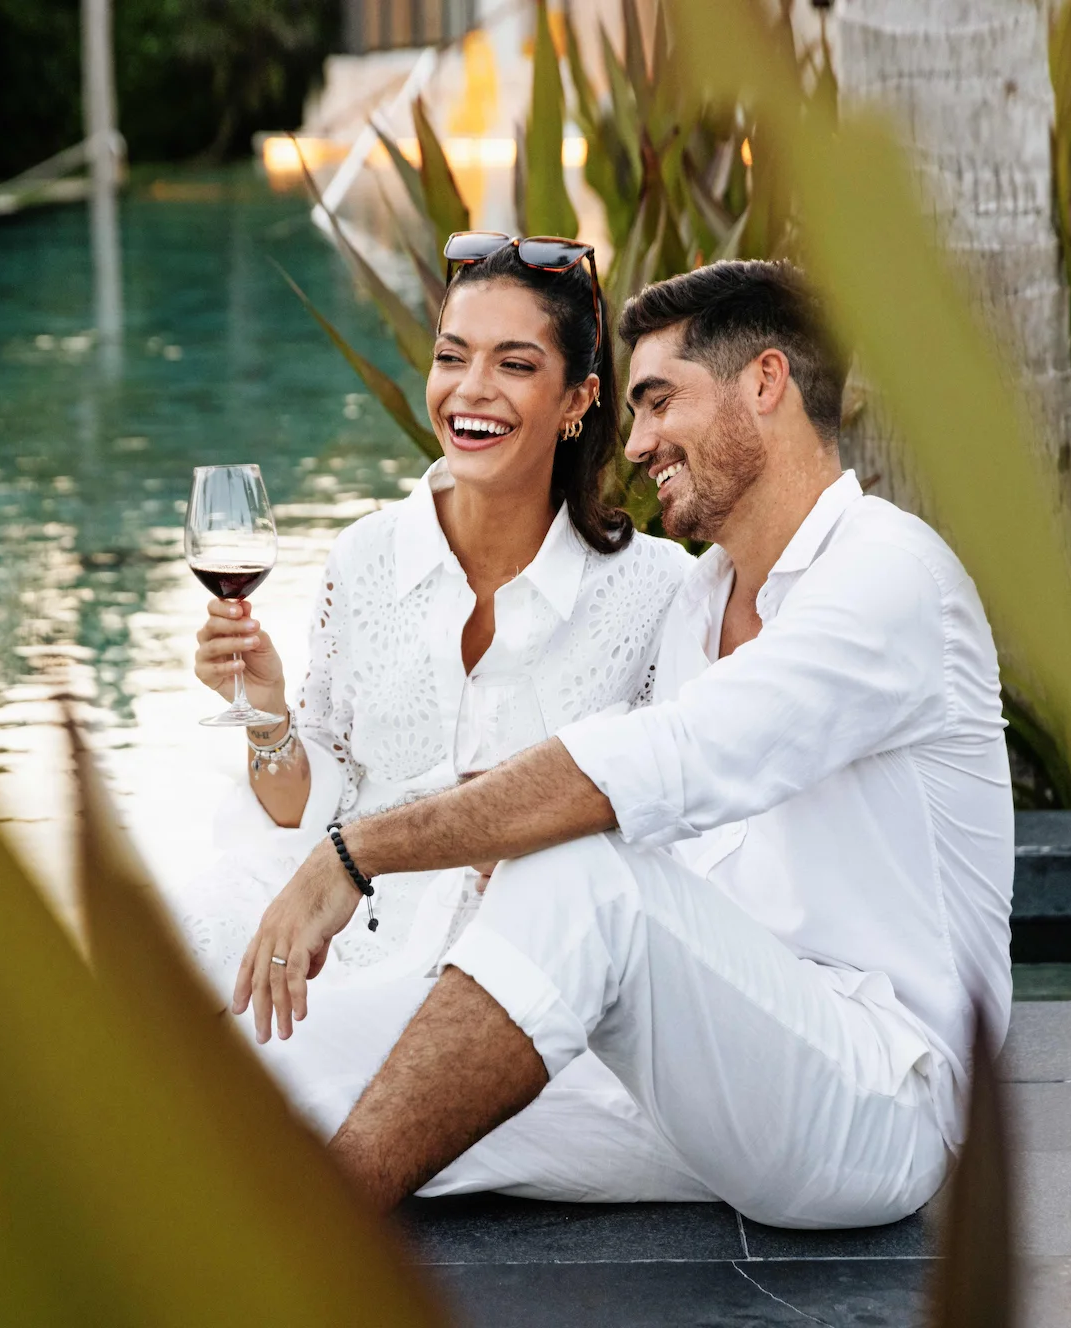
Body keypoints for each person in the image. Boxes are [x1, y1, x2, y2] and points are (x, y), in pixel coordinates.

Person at [233, 259, 1015, 1228]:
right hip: (706, 1052)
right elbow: (622, 793)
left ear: (764, 384)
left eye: (657, 402)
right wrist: (491, 845)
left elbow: (665, 762)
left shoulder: (890, 574)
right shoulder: (697, 604)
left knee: (584, 876)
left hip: (881, 1100)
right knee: (277, 1060)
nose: (636, 443)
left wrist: (358, 852)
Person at [170, 234, 691, 1014]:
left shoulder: (656, 590)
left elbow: (673, 819)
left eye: (514, 365)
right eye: (452, 358)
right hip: (338, 923)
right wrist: (267, 714)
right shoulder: (366, 558)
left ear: (578, 402)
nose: (470, 390)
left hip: (519, 959)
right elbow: (304, 804)